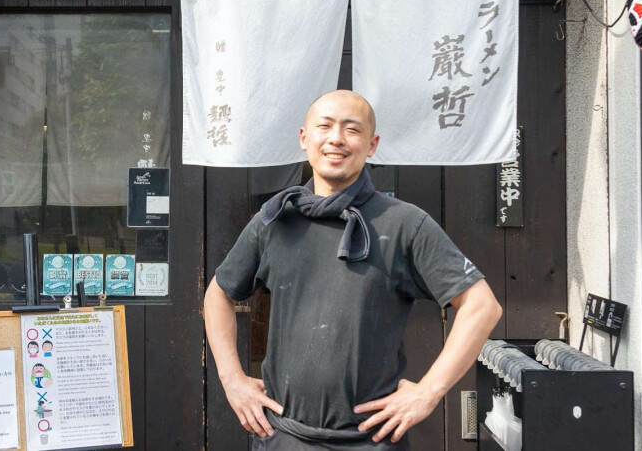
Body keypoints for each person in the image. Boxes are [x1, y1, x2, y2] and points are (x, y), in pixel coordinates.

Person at [204, 90, 502, 450]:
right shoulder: (275, 220)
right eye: (325, 127)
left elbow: (481, 306)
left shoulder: (405, 224)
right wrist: (232, 379)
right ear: (304, 139)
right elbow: (218, 294)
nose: (336, 139)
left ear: (372, 145)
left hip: (371, 440)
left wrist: (428, 392)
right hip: (283, 436)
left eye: (352, 129)